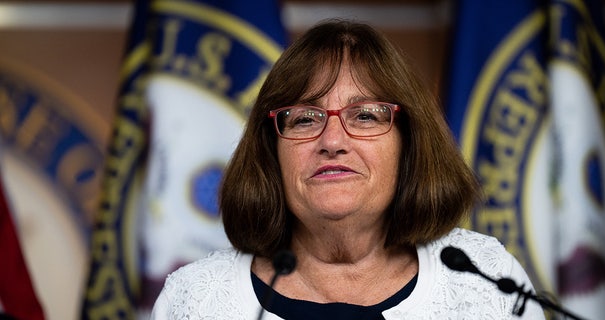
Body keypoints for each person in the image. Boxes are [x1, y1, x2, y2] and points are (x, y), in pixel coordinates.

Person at [150, 19, 545, 319]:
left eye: (366, 116)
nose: (333, 141)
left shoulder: (486, 281)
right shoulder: (196, 300)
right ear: (272, 149)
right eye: (305, 118)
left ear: (408, 143)